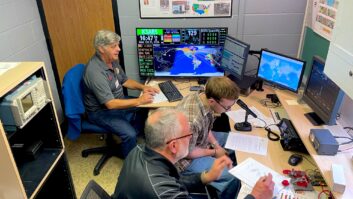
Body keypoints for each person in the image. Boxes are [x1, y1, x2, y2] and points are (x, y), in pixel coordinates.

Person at [112, 108, 274, 199]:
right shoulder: (165, 194)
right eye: (188, 135)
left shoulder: (139, 150)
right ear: (173, 146)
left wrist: (206, 177)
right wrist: (255, 196)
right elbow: (167, 188)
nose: (192, 138)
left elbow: (173, 181)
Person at [83, 30, 159, 158]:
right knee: (129, 134)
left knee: (147, 108)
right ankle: (131, 161)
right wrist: (139, 101)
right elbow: (110, 104)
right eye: (114, 46)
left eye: (118, 45)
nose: (118, 49)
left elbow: (124, 80)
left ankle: (131, 143)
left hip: (118, 99)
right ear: (101, 49)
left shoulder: (112, 60)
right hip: (101, 111)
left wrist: (143, 87)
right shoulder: (94, 72)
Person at [175, 76, 241, 198]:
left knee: (235, 141)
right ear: (212, 101)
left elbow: (206, 127)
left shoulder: (203, 97)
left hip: (199, 142)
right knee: (232, 178)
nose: (229, 110)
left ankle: (227, 167)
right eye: (227, 107)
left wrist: (216, 144)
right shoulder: (192, 120)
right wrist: (214, 152)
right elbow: (187, 152)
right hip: (186, 160)